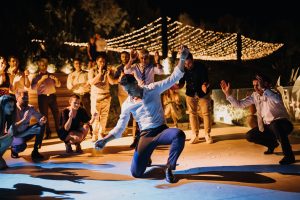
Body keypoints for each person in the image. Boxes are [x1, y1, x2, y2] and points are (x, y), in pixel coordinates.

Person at [94, 46, 190, 183]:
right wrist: (105, 140)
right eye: (126, 91)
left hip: (161, 130)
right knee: (136, 173)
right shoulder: (128, 104)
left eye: (131, 89)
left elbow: (173, 77)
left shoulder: (152, 88)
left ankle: (169, 167)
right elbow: (120, 128)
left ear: (136, 83)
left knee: (179, 135)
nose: (130, 93)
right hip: (145, 135)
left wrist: (182, 59)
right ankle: (146, 155)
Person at [220, 74, 296, 165]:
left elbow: (277, 100)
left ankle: (289, 156)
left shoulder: (274, 92)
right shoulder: (255, 96)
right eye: (254, 85)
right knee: (250, 135)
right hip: (269, 127)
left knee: (275, 125)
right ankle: (271, 144)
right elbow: (239, 104)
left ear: (266, 84)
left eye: (258, 85)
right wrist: (228, 94)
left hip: (284, 125)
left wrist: (264, 89)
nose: (255, 88)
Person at [124, 48, 164, 148]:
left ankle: (152, 138)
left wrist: (157, 61)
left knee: (150, 116)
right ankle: (136, 139)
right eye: (141, 58)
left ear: (148, 58)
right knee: (137, 117)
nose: (143, 60)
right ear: (138, 57)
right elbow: (126, 70)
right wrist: (131, 60)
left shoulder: (152, 67)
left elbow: (161, 71)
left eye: (146, 58)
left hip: (149, 93)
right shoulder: (135, 66)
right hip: (138, 94)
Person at [173, 52, 213, 144]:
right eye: (186, 64)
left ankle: (207, 134)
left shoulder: (201, 66)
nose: (188, 65)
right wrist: (177, 86)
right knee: (192, 114)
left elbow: (205, 80)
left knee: (206, 113)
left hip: (203, 93)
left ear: (193, 60)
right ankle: (195, 135)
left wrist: (204, 85)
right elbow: (182, 83)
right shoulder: (183, 69)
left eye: (189, 63)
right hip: (190, 93)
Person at [11, 91, 47, 159]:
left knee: (41, 125)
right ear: (17, 98)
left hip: (26, 133)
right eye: (23, 98)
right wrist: (24, 119)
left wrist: (43, 119)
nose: (26, 99)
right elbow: (12, 128)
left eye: (27, 97)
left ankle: (35, 151)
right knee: (22, 147)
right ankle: (14, 150)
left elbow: (40, 117)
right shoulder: (12, 109)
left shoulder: (30, 108)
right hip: (15, 135)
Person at [31, 58, 61, 139]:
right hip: (42, 97)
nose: (42, 67)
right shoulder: (36, 76)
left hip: (52, 96)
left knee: (56, 114)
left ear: (46, 66)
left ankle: (59, 131)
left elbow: (58, 85)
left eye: (44, 65)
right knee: (44, 116)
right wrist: (41, 80)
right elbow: (33, 88)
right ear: (38, 66)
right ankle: (48, 133)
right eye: (41, 65)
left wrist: (56, 80)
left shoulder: (51, 75)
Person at [88, 54, 114, 142]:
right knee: (95, 116)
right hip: (96, 96)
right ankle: (94, 134)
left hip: (106, 95)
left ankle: (101, 133)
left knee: (104, 116)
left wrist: (108, 75)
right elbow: (91, 82)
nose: (102, 63)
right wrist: (99, 73)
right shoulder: (92, 70)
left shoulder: (107, 71)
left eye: (103, 61)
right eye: (100, 61)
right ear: (96, 62)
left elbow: (112, 82)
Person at [0, 95, 16, 169]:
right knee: (9, 138)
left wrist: (29, 131)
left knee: (10, 138)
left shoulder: (4, 115)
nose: (12, 109)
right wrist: (9, 134)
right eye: (9, 106)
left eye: (13, 106)